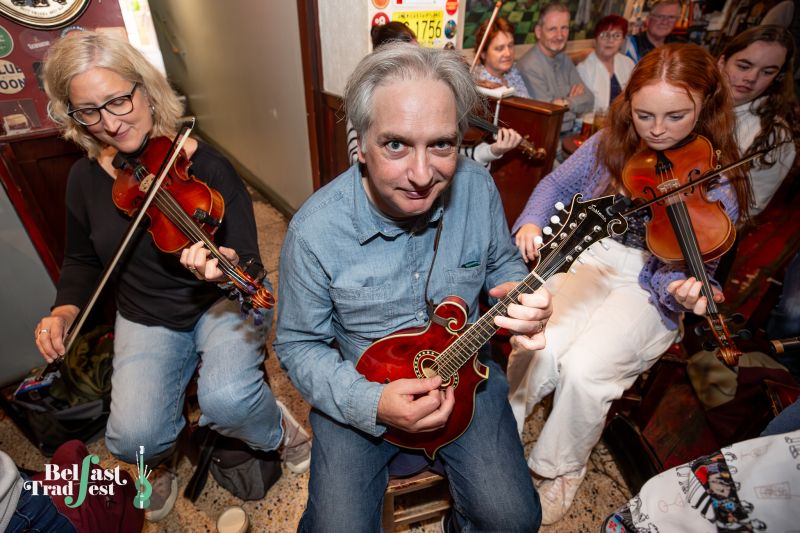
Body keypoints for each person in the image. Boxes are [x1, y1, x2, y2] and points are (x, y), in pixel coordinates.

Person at [274, 43, 553, 532]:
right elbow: (298, 346)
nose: (423, 176)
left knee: (514, 519)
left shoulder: (478, 189)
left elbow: (501, 264)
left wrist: (518, 292)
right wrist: (372, 403)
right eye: (396, 145)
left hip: (466, 373)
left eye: (442, 144)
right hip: (359, 386)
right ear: (359, 144)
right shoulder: (314, 232)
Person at [35, 31, 310, 522]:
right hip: (144, 314)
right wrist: (62, 310)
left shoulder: (204, 166)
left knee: (227, 401)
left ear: (144, 87)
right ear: (72, 117)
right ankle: (158, 463)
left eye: (120, 100)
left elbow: (249, 261)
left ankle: (279, 431)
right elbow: (81, 260)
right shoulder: (83, 179)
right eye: (90, 112)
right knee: (131, 438)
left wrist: (224, 270)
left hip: (218, 303)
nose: (112, 123)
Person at [507, 43, 751, 524]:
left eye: (676, 116)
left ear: (707, 103)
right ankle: (500, 433)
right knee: (538, 344)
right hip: (591, 257)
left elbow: (688, 271)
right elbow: (555, 186)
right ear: (629, 105)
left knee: (586, 370)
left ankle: (559, 469)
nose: (657, 130)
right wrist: (531, 222)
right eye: (644, 115)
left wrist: (683, 289)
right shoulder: (613, 142)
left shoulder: (719, 178)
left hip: (650, 281)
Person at [347, 22, 522, 167]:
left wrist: (494, 151)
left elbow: (459, 157)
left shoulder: (430, 100)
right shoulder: (367, 101)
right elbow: (358, 163)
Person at [718, 25, 799, 216]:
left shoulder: (774, 136)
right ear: (722, 62)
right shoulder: (691, 101)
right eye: (744, 66)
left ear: (777, 77)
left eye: (767, 72)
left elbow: (749, 208)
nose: (751, 78)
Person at [517, 2, 594, 134]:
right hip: (547, 140)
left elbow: (590, 100)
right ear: (539, 32)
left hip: (570, 134)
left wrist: (566, 103)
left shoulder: (564, 58)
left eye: (564, 28)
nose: (559, 35)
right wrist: (574, 104)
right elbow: (549, 115)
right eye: (552, 29)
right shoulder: (529, 65)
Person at [576, 15, 635, 121]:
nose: (610, 40)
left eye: (616, 36)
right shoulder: (583, 68)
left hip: (622, 125)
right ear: (595, 39)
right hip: (591, 128)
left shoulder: (628, 64)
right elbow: (580, 113)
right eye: (604, 35)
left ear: (622, 41)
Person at [472, 16, 531, 98]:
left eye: (510, 46)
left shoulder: (513, 71)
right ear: (483, 53)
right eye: (500, 48)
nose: (508, 53)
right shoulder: (480, 84)